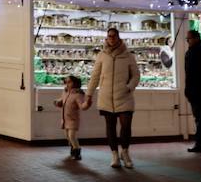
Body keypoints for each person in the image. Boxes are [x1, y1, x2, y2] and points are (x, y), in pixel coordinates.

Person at [83, 26, 139, 170]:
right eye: (109, 36)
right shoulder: (102, 55)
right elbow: (95, 76)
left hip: (124, 96)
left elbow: (136, 75)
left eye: (114, 36)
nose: (111, 38)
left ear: (119, 38)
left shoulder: (128, 56)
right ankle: (114, 155)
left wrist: (129, 87)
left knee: (126, 126)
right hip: (106, 97)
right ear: (106, 38)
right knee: (110, 127)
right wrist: (88, 95)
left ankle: (125, 152)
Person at [184, 27, 201, 152]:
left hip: (198, 91)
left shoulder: (196, 52)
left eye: (188, 39)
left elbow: (195, 74)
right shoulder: (197, 51)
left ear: (195, 38)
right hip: (197, 91)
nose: (187, 41)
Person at [55, 74, 89, 160]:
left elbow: (81, 106)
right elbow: (63, 101)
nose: (67, 84)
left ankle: (77, 152)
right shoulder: (65, 92)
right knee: (67, 136)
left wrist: (87, 104)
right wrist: (57, 102)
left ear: (74, 83)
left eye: (69, 82)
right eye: (66, 82)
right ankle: (73, 148)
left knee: (71, 136)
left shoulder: (78, 94)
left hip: (73, 119)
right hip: (65, 118)